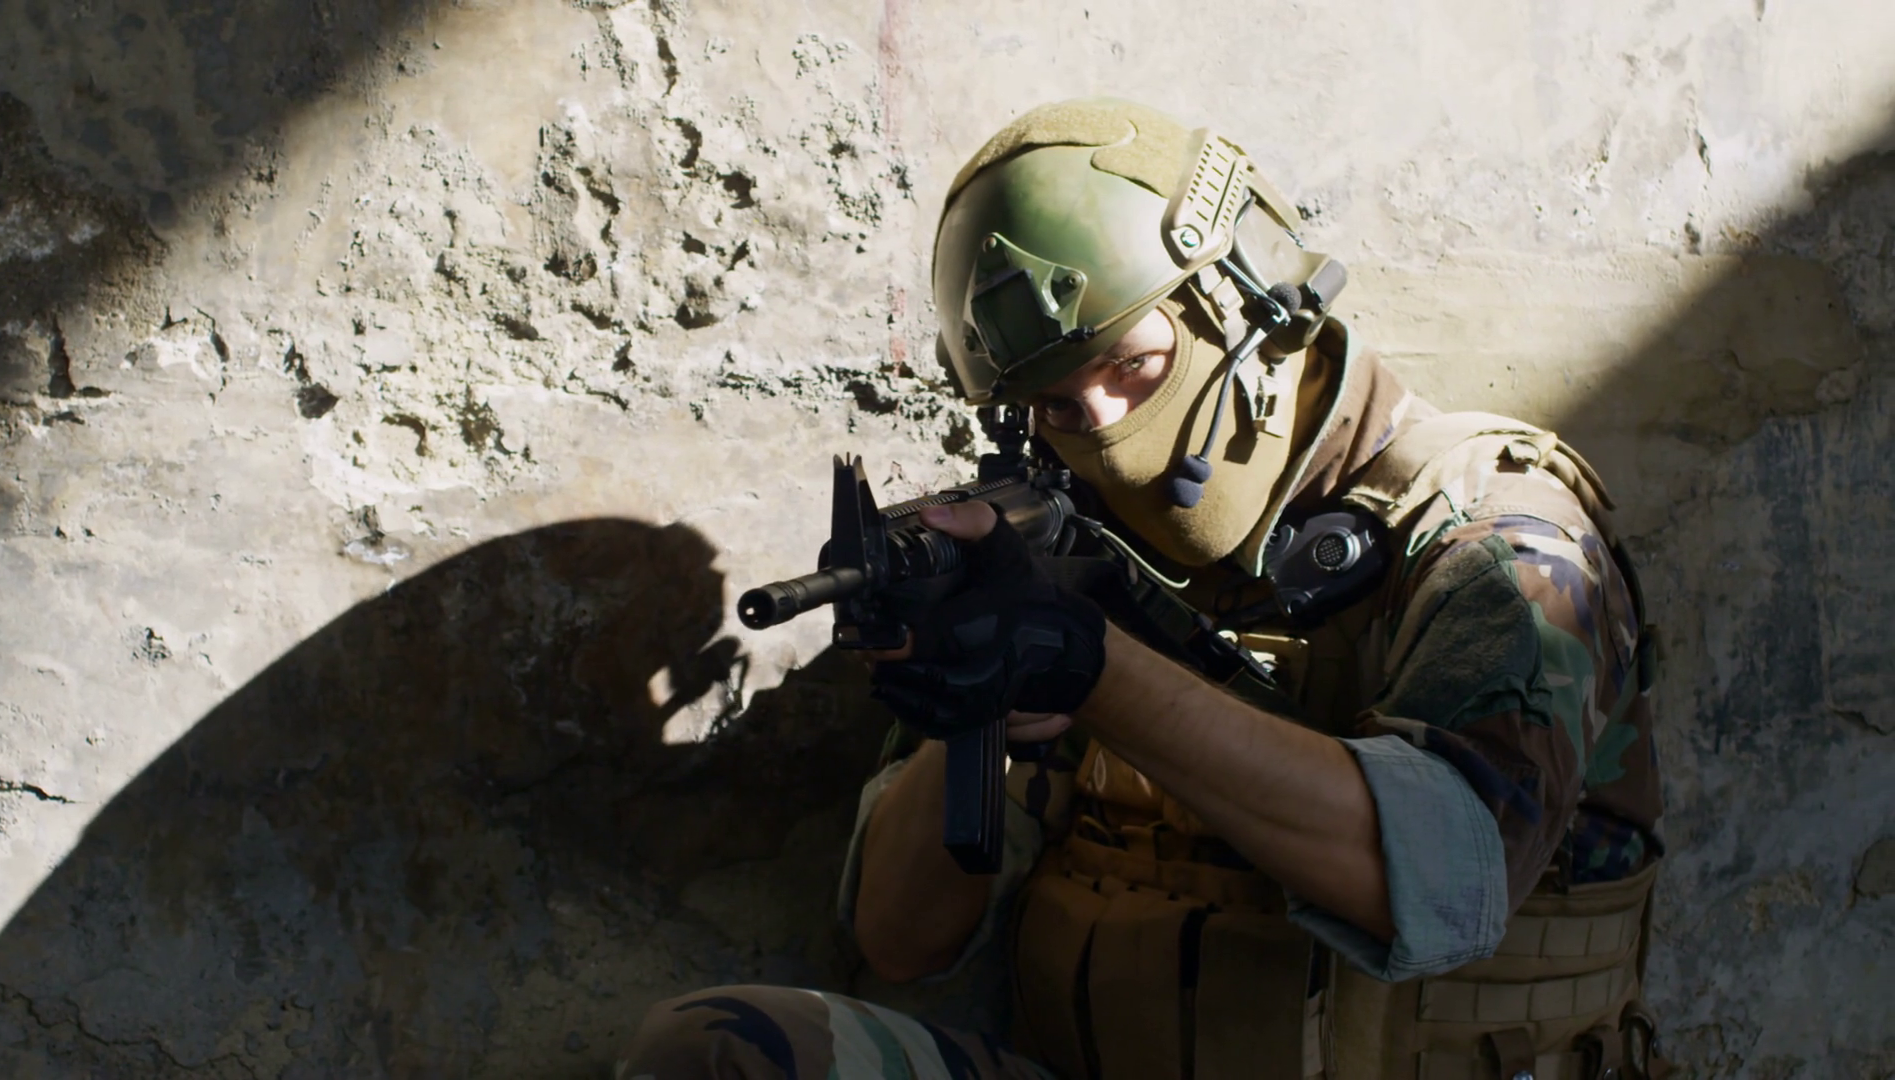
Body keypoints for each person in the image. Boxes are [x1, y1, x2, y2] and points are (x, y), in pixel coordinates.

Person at [620, 99, 1666, 1080]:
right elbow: (901, 941)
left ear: (1251, 314)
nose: (1106, 431)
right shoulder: (1070, 539)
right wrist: (975, 703)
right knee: (719, 1050)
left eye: (1134, 365)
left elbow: (1447, 887)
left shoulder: (1497, 534)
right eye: (1056, 408)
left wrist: (1090, 667)